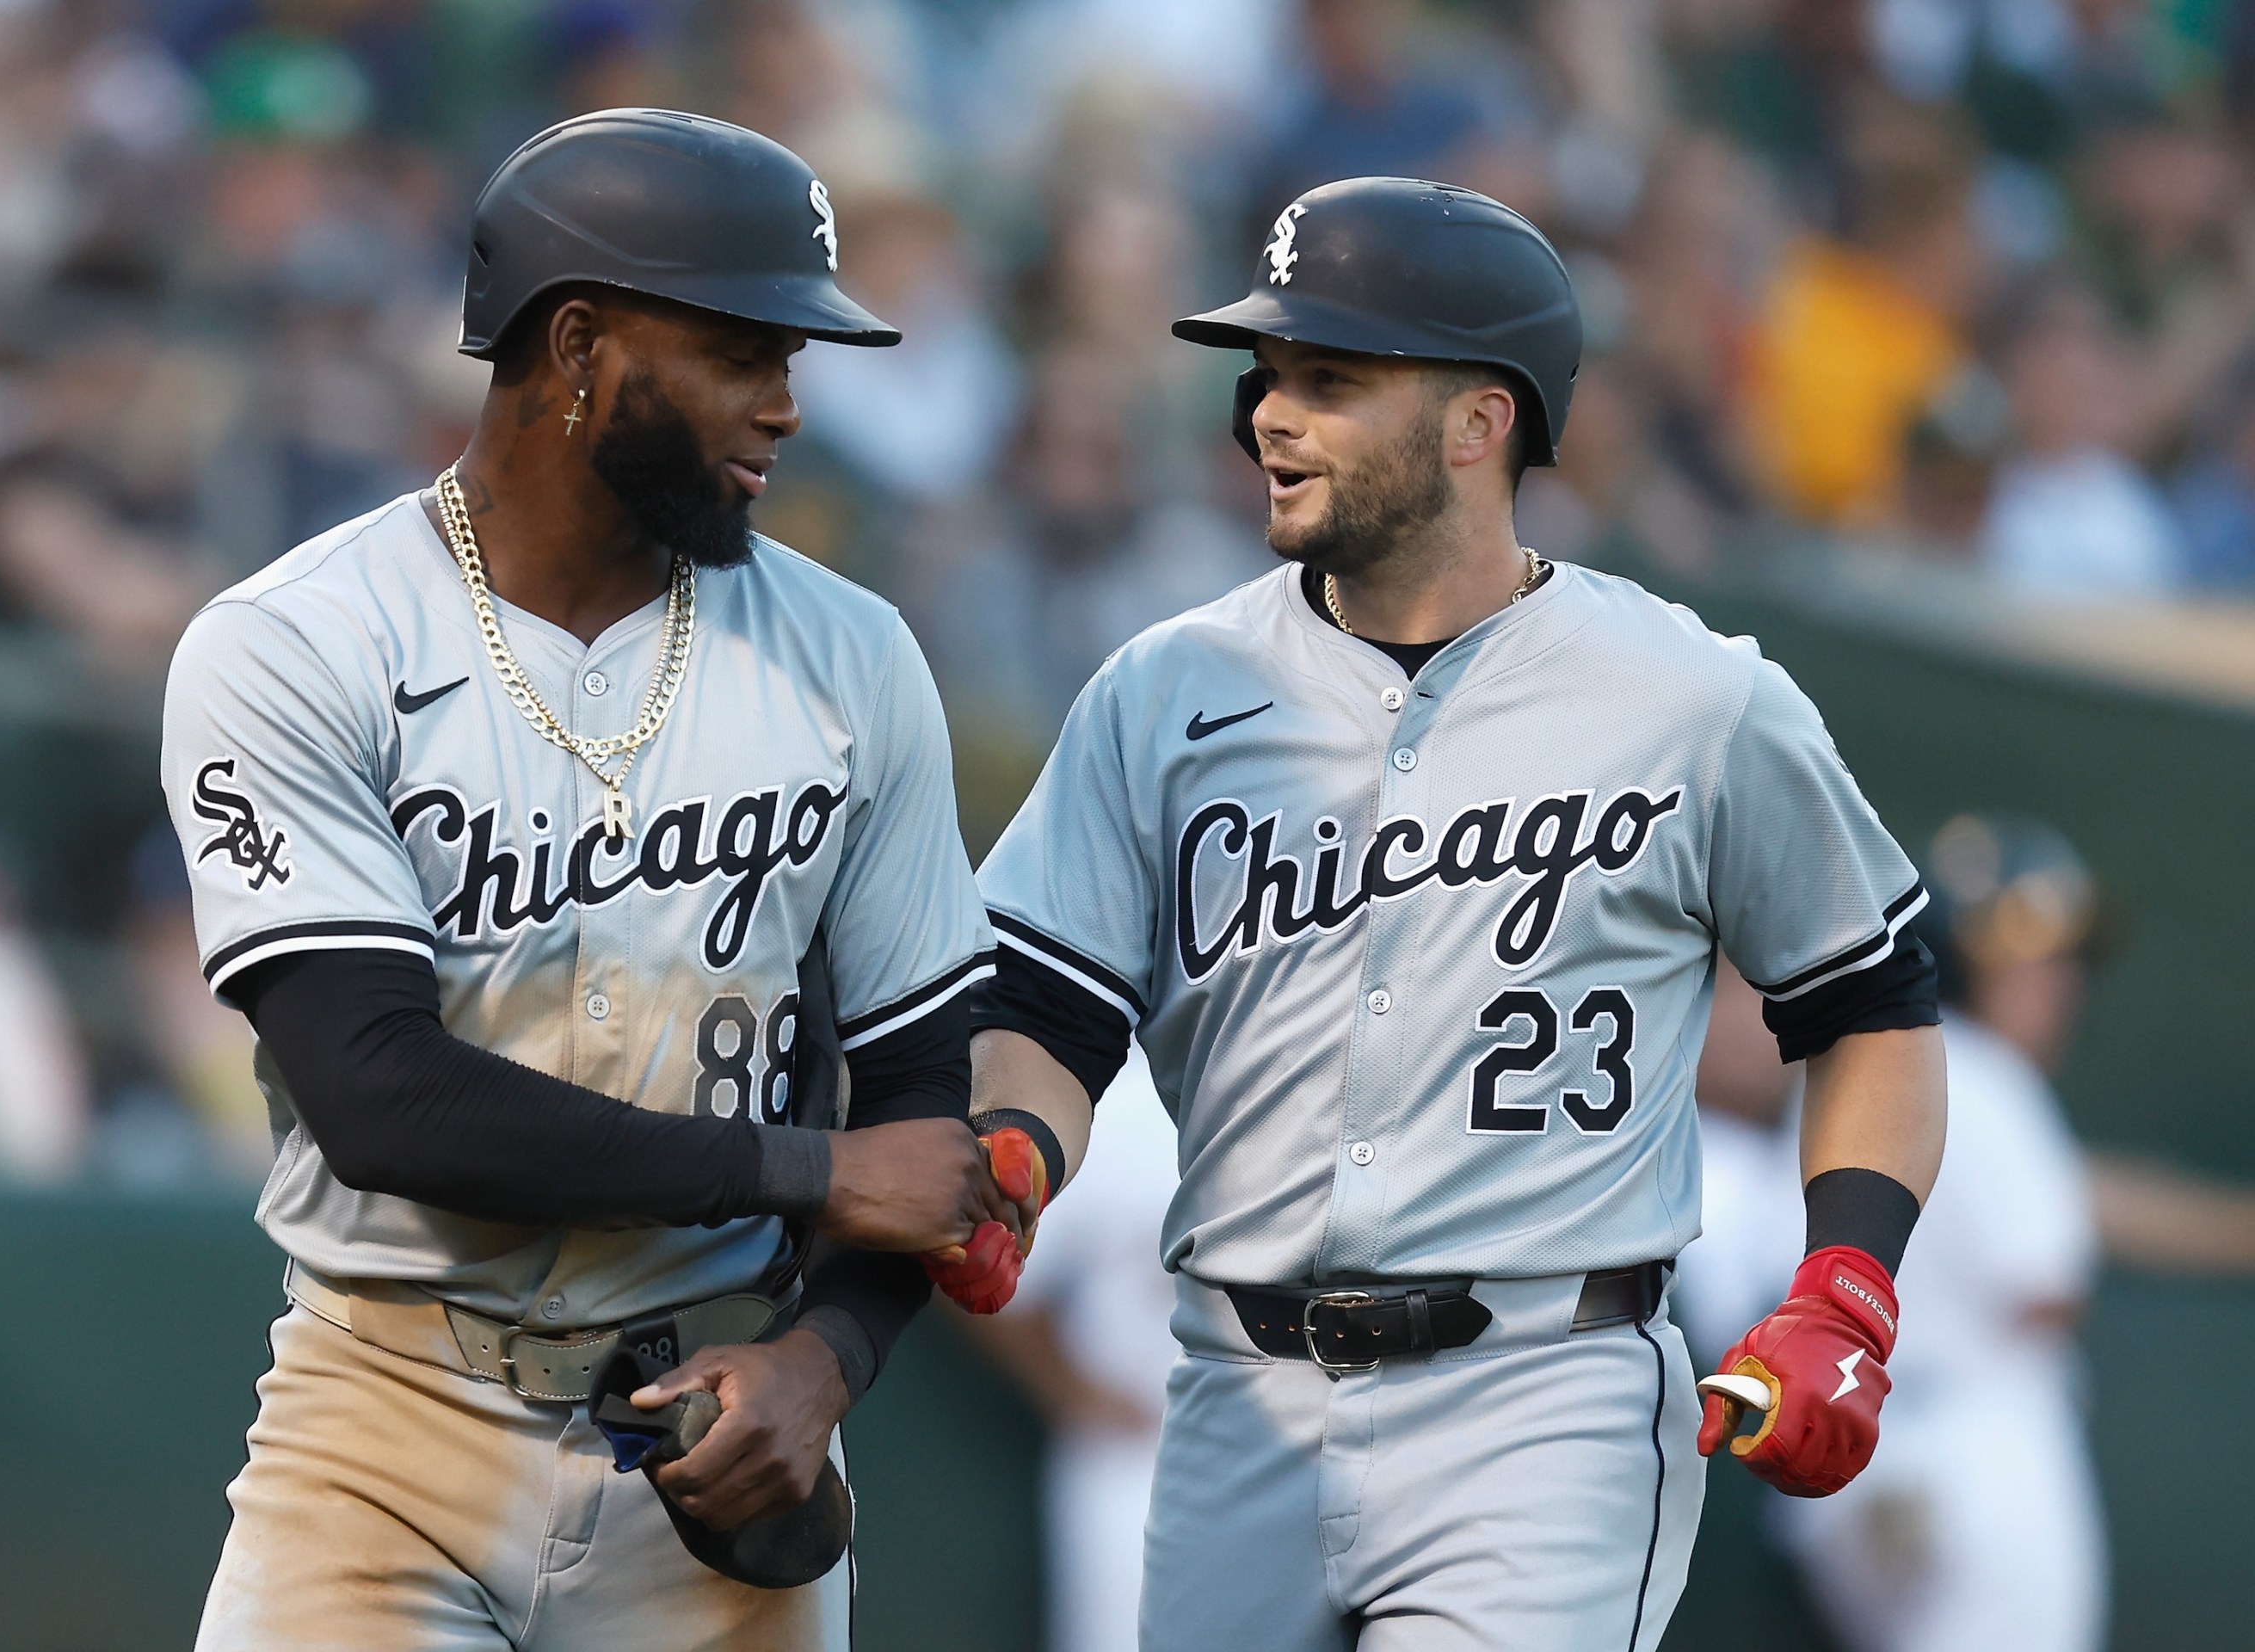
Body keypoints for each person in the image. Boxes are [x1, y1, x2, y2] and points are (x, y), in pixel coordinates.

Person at [946, 177, 1950, 1650]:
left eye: (1331, 380)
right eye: (1269, 375)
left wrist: (1847, 1286)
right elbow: (1044, 1007)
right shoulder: (1160, 691)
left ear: (1482, 423)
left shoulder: (1696, 695)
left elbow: (1871, 1003)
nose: (1270, 415)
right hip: (1235, 1390)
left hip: (1542, 1394)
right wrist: (1015, 1156)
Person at [162, 110, 1020, 1652]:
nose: (788, 404)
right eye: (746, 352)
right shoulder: (295, 643)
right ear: (581, 346)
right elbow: (381, 1100)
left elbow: (921, 1108)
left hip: (718, 1429)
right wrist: (805, 1175)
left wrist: (825, 1363)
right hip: (386, 1423)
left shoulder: (853, 658)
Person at [1690, 815, 2255, 1652]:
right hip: (1974, 1455)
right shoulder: (1988, 1075)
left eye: (2062, 964)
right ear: (1960, 953)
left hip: (1845, 1467)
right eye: (2028, 962)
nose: (2057, 988)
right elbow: (2049, 1298)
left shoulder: (1855, 1078)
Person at [958, 1048, 1180, 1652]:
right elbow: (978, 1264)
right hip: (1136, 1459)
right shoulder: (1119, 1104)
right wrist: (1075, 1395)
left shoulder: (1305, 1096)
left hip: (1296, 1442)